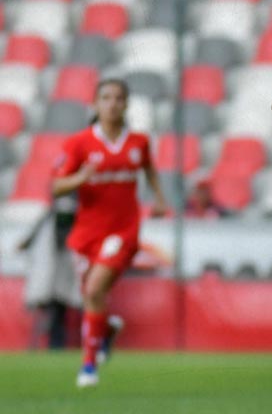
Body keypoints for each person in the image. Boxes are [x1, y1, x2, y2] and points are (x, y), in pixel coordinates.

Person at [51, 78, 169, 388]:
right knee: (93, 297)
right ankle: (106, 332)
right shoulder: (79, 143)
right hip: (86, 234)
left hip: (123, 230)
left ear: (126, 104)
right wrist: (80, 178)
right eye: (106, 98)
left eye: (118, 98)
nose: (112, 103)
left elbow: (150, 169)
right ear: (95, 104)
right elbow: (56, 186)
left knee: (93, 291)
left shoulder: (138, 143)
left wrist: (158, 198)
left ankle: (88, 366)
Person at [18, 194, 81, 350]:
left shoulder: (61, 215)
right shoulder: (51, 217)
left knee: (58, 309)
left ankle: (57, 342)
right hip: (56, 272)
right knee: (56, 310)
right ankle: (55, 343)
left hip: (63, 271)